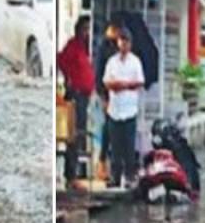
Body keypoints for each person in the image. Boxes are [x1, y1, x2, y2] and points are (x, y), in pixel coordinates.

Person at [102, 26, 144, 187]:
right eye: (121, 41)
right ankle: (115, 177)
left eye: (126, 41)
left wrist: (123, 85)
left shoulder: (135, 62)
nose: (123, 44)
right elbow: (107, 82)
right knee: (115, 146)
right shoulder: (112, 62)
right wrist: (119, 84)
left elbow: (139, 82)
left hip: (129, 110)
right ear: (118, 43)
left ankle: (129, 177)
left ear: (130, 44)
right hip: (115, 110)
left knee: (128, 146)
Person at [57, 15, 95, 180]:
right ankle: (71, 172)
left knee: (81, 133)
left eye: (89, 29)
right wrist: (69, 78)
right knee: (74, 133)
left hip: (87, 96)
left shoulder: (91, 49)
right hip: (75, 95)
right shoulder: (73, 46)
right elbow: (61, 60)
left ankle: (78, 170)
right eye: (85, 29)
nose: (87, 33)